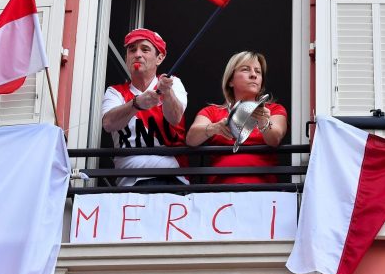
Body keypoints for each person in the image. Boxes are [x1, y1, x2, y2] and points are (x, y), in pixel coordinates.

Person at [101, 28, 188, 187]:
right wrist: (136, 104)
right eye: (131, 50)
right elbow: (108, 123)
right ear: (126, 58)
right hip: (129, 184)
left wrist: (167, 93)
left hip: (172, 181)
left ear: (159, 58)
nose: (137, 54)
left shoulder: (172, 83)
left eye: (145, 49)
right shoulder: (115, 92)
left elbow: (175, 118)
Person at [186, 51, 287, 184]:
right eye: (246, 69)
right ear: (230, 81)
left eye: (258, 71)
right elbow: (191, 139)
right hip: (220, 193)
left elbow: (275, 139)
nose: (253, 75)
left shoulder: (274, 110)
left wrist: (263, 121)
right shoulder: (212, 112)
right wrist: (214, 128)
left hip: (264, 193)